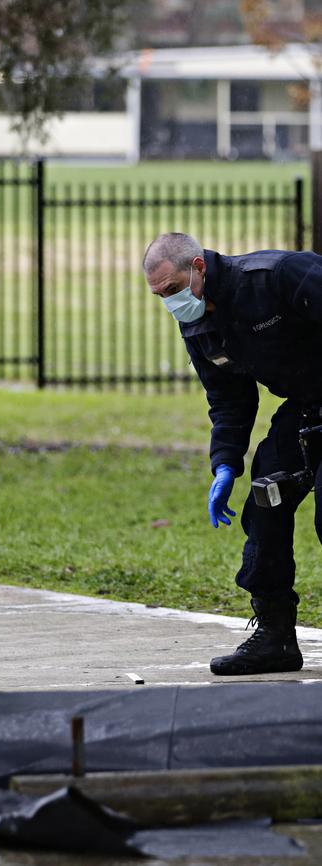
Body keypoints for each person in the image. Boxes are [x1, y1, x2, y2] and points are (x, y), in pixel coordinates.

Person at [143, 231, 322, 677]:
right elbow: (229, 400)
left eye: (172, 289)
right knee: (266, 503)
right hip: (305, 407)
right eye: (160, 296)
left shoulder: (276, 276)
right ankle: (275, 637)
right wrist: (224, 463)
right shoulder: (198, 322)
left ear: (198, 267)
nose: (170, 302)